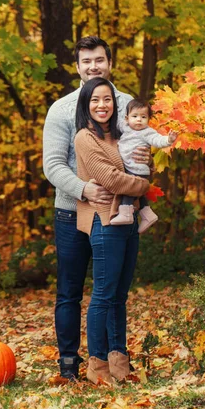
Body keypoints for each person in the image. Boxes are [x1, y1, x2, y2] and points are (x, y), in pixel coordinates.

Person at [42, 36, 149, 381]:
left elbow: (138, 149)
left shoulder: (126, 104)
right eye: (86, 61)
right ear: (77, 67)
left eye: (99, 60)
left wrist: (149, 158)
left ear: (109, 62)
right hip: (71, 212)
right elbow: (53, 165)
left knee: (114, 288)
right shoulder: (61, 109)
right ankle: (69, 363)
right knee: (70, 291)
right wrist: (83, 189)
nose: (93, 66)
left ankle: (111, 360)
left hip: (116, 213)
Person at [74, 77, 150, 384]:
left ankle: (120, 360)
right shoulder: (84, 138)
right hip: (103, 220)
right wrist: (145, 186)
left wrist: (144, 174)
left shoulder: (123, 135)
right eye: (95, 100)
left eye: (107, 99)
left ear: (114, 104)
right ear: (86, 105)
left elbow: (143, 164)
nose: (101, 105)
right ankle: (98, 365)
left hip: (128, 218)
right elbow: (111, 179)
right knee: (103, 295)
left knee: (120, 295)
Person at [111, 98, 177, 233]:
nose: (139, 120)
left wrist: (168, 140)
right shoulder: (125, 127)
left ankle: (126, 214)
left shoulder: (147, 132)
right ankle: (148, 215)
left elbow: (157, 140)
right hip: (129, 166)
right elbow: (113, 122)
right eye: (134, 116)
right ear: (127, 118)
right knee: (139, 194)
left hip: (138, 169)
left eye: (143, 117)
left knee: (129, 189)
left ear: (148, 119)